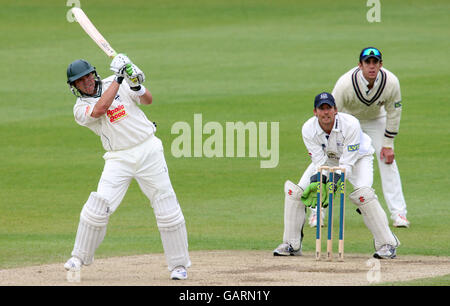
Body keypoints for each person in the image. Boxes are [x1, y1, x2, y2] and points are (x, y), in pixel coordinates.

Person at [63, 54, 191, 280]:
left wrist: (136, 83)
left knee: (166, 206)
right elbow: (100, 109)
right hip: (118, 158)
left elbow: (148, 100)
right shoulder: (80, 108)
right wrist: (121, 79)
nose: (87, 81)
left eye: (89, 76)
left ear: (94, 73)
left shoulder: (115, 80)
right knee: (98, 206)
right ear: (74, 86)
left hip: (148, 150)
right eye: (80, 81)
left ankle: (179, 266)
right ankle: (78, 258)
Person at [273, 92, 399, 259]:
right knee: (295, 192)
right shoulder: (308, 129)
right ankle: (291, 244)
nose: (325, 112)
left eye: (329, 108)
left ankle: (387, 244)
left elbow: (347, 164)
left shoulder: (351, 124)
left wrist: (331, 183)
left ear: (335, 110)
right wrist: (319, 182)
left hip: (359, 158)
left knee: (364, 195)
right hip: (329, 159)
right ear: (315, 112)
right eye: (321, 109)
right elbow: (319, 162)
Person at [323, 46, 409, 228]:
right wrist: (329, 140)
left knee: (388, 161)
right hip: (347, 121)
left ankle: (399, 214)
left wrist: (388, 144)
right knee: (331, 162)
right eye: (367, 62)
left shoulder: (391, 82)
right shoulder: (345, 83)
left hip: (376, 120)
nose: (371, 66)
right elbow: (332, 111)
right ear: (360, 65)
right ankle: (317, 213)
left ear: (380, 65)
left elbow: (394, 112)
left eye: (375, 62)